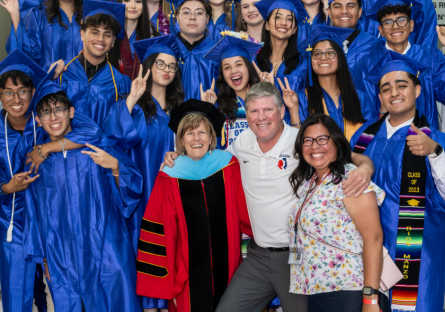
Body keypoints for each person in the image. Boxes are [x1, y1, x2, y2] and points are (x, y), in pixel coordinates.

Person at [164, 82, 376, 312]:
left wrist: (366, 166)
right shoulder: (242, 142)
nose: (261, 117)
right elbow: (208, 160)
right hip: (258, 256)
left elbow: (342, 154)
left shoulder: (301, 141)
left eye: (268, 110)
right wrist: (179, 154)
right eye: (254, 111)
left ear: (281, 111)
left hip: (296, 258)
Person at [23, 80, 144, 312]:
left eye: (58, 109)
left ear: (71, 112)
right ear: (37, 120)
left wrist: (116, 168)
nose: (53, 117)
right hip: (62, 252)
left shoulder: (95, 148)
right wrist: (45, 259)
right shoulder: (37, 163)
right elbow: (33, 214)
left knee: (118, 297)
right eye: (45, 113)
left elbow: (130, 191)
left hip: (107, 245)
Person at [0, 49, 106, 312]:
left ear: (33, 92)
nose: (17, 98)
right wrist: (7, 187)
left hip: (56, 220)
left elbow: (92, 131)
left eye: (23, 91)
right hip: (14, 222)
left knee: (64, 291)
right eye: (8, 92)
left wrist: (48, 147)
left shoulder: (44, 119)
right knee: (17, 296)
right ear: (0, 96)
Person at [135, 99, 252, 312]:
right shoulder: (169, 176)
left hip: (230, 268)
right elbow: (159, 229)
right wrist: (170, 280)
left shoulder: (228, 165)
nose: (196, 139)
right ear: (180, 139)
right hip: (186, 272)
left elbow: (246, 213)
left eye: (202, 132)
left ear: (211, 137)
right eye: (189, 133)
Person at [350, 52, 445, 312]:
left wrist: (435, 153)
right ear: (379, 97)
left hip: (419, 252)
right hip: (366, 248)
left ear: (417, 89)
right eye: (386, 88)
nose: (394, 93)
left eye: (402, 85)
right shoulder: (363, 136)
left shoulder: (436, 139)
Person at [104, 34, 184, 312]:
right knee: (147, 258)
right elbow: (113, 140)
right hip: (143, 197)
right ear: (148, 66)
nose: (166, 69)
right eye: (160, 63)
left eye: (172, 66)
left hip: (174, 198)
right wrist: (132, 98)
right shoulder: (136, 107)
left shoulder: (181, 110)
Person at [288, 114, 387, 311]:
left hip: (350, 290)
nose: (315, 146)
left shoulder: (350, 178)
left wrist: (370, 299)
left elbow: (373, 238)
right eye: (307, 140)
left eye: (323, 139)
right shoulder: (311, 182)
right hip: (317, 290)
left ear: (337, 142)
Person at [353, 0, 445, 129]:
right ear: (381, 30)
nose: (395, 27)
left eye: (401, 20)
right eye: (388, 22)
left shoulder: (431, 58)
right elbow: (364, 111)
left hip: (426, 139)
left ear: (411, 25)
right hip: (385, 141)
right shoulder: (368, 64)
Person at [49, 0, 131, 128]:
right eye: (95, 32)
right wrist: (48, 78)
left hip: (100, 147)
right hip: (62, 146)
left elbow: (119, 128)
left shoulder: (118, 83)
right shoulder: (61, 73)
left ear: (113, 41)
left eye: (107, 34)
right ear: (82, 34)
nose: (101, 39)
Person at [297, 26, 377, 141]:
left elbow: (370, 137)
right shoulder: (302, 99)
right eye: (317, 54)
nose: (323, 58)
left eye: (330, 53)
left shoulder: (360, 98)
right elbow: (300, 141)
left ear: (340, 58)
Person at [202, 33, 263, 148]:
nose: (233, 71)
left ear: (248, 68)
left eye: (239, 64)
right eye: (227, 67)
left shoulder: (264, 100)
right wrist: (208, 110)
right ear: (223, 75)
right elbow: (211, 146)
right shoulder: (219, 107)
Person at [3, 0, 83, 68]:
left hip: (85, 84)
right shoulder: (40, 17)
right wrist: (15, 15)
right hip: (50, 84)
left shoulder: (89, 18)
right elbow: (28, 54)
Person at [253, 0, 308, 94]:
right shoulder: (254, 62)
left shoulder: (303, 65)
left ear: (294, 29)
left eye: (289, 19)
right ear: (267, 25)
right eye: (278, 17)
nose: (283, 23)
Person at [169, 0, 219, 101]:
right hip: (172, 115)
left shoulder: (217, 52)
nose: (192, 18)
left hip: (210, 113)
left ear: (207, 18)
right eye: (186, 12)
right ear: (177, 18)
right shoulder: (167, 50)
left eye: (199, 13)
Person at [327, 0, 379, 77]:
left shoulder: (374, 45)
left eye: (350, 6)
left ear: (359, 12)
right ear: (329, 13)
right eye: (337, 6)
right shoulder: (320, 45)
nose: (344, 11)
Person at [357, 0, 437, 49]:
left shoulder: (422, 1)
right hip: (372, 59)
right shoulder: (365, 1)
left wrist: (419, 64)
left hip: (409, 59)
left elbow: (427, 33)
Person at [109, 0, 155, 80]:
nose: (133, 6)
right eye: (127, 0)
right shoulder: (109, 34)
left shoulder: (152, 37)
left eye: (138, 1)